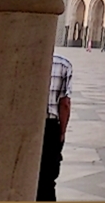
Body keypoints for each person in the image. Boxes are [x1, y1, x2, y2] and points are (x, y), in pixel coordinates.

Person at [37, 53, 72, 201]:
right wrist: (61, 132)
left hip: (23, 125)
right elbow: (65, 104)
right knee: (47, 179)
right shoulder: (64, 64)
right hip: (50, 126)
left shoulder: (22, 59)